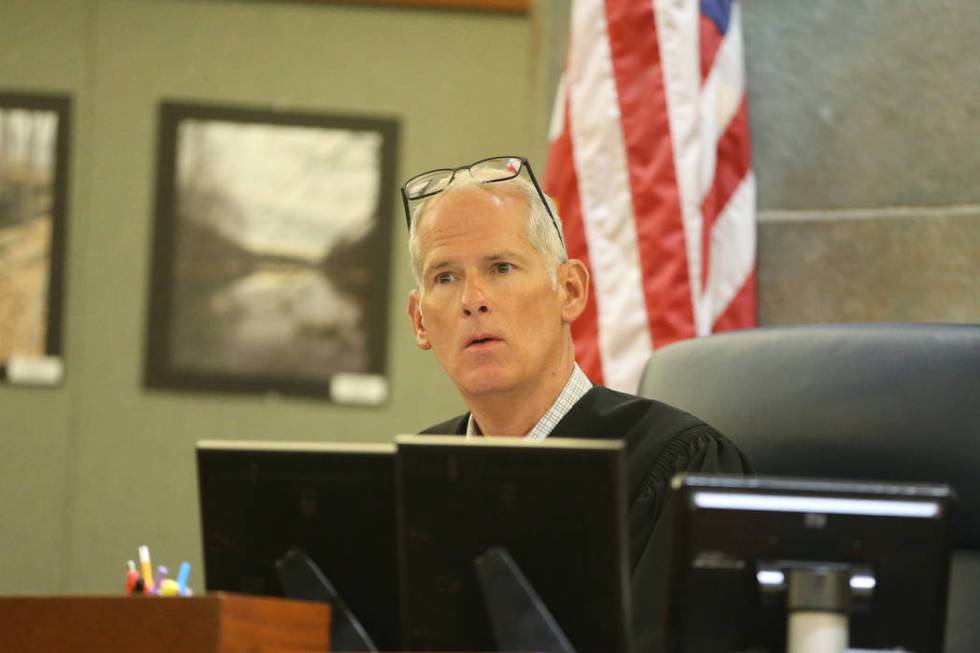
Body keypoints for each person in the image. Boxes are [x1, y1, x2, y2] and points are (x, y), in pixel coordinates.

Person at [402, 155, 751, 651]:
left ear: (569, 290)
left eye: (500, 267)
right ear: (419, 321)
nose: (471, 300)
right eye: (445, 278)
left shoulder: (676, 465)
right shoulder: (411, 477)